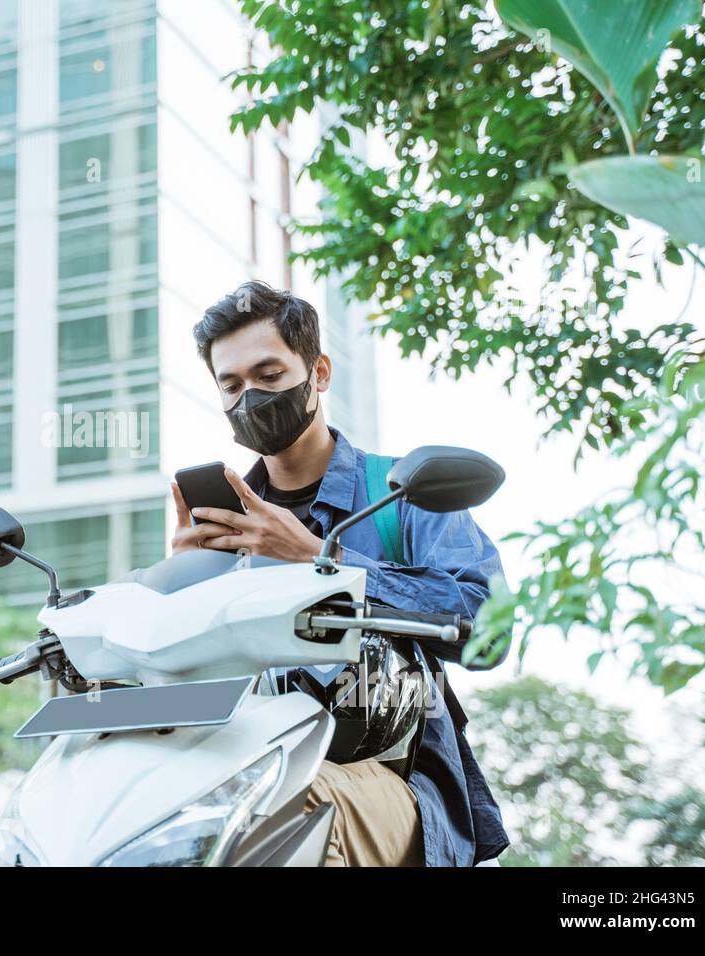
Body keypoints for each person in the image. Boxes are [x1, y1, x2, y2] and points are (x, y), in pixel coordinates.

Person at [171, 279, 511, 867]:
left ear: (319, 373)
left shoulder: (403, 493)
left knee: (285, 805)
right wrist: (180, 588)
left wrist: (317, 560)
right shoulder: (225, 529)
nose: (250, 397)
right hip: (246, 765)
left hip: (388, 776)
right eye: (232, 385)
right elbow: (188, 685)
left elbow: (488, 629)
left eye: (270, 375)